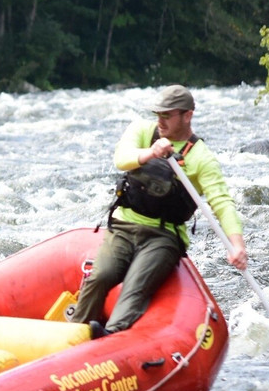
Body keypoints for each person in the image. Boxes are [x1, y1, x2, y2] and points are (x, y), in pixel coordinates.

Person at [71, 85, 248, 338]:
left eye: (167, 115)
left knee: (135, 287)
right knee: (100, 276)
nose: (160, 121)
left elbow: (222, 202)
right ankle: (76, 333)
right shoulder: (142, 130)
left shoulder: (201, 157)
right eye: (158, 115)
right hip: (123, 227)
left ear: (187, 116)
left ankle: (110, 337)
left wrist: (237, 245)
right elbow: (122, 158)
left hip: (163, 237)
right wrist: (151, 153)